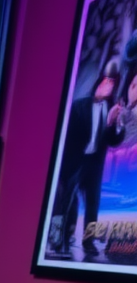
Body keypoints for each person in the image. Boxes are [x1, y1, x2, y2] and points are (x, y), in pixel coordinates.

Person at [51, 58, 125, 256]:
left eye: (112, 84)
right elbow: (66, 139)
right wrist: (64, 168)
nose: (107, 86)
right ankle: (60, 240)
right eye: (105, 82)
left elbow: (114, 141)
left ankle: (88, 242)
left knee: (93, 204)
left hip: (94, 165)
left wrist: (116, 124)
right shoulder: (78, 106)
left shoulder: (111, 109)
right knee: (66, 203)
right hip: (76, 162)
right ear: (99, 81)